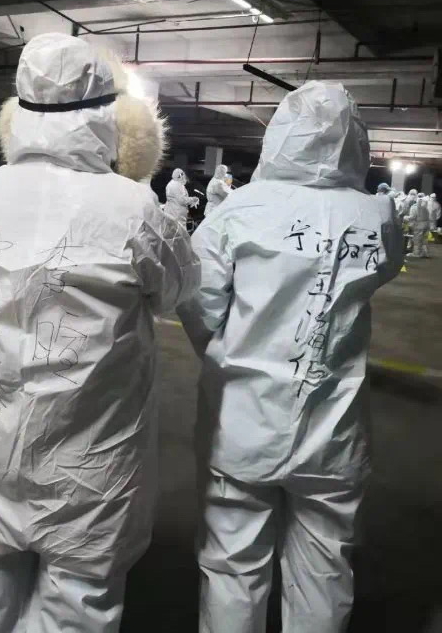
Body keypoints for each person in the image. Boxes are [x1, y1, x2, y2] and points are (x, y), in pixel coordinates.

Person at [0, 33, 199, 633]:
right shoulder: (133, 207)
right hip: (88, 454)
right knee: (77, 597)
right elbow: (179, 288)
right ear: (108, 112)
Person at [179, 81, 403, 633]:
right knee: (325, 568)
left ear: (280, 133)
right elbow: (384, 268)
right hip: (334, 428)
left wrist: (227, 352)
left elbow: (199, 304)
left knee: (233, 566)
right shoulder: (378, 217)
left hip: (243, 421)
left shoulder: (238, 212)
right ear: (356, 140)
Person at [408, 193, 431, 258]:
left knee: (417, 240)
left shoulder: (414, 207)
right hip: (427, 224)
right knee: (424, 240)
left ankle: (416, 253)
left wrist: (405, 218)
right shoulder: (426, 206)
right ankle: (425, 253)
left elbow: (412, 217)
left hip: (419, 225)